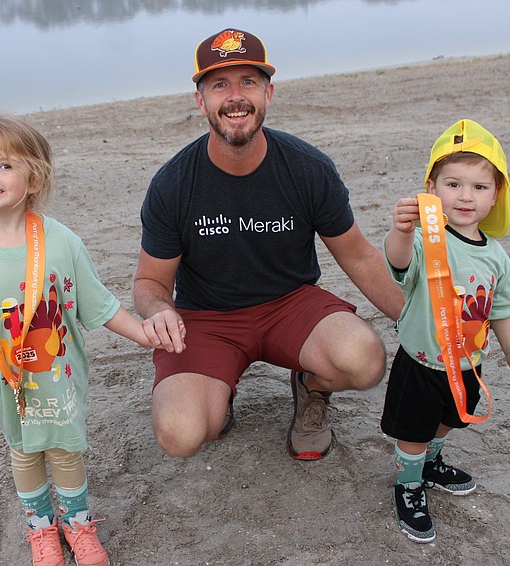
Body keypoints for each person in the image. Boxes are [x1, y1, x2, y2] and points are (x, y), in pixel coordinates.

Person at [133, 28, 404, 461]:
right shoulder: (173, 183)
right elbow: (150, 282)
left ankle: (310, 386)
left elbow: (357, 255)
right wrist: (160, 311)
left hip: (290, 305)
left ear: (268, 93)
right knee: (182, 434)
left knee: (365, 361)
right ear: (201, 101)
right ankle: (216, 391)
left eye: (248, 82)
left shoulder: (307, 168)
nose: (235, 97)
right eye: (220, 85)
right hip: (208, 317)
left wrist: (418, 322)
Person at [0, 110, 153, 566]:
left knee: (66, 451)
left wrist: (145, 335)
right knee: (24, 453)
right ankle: (41, 528)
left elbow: (100, 305)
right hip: (8, 385)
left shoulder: (62, 242)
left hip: (60, 378)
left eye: (5, 165)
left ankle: (78, 525)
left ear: (34, 179)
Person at [380, 119, 510, 543]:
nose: (466, 196)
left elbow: (501, 308)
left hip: (469, 362)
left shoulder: (497, 256)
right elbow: (397, 263)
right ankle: (408, 484)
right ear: (432, 188)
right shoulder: (424, 241)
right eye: (454, 184)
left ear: (496, 196)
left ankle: (431, 464)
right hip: (423, 362)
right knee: (413, 431)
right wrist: (401, 231)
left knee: (450, 419)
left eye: (479, 187)